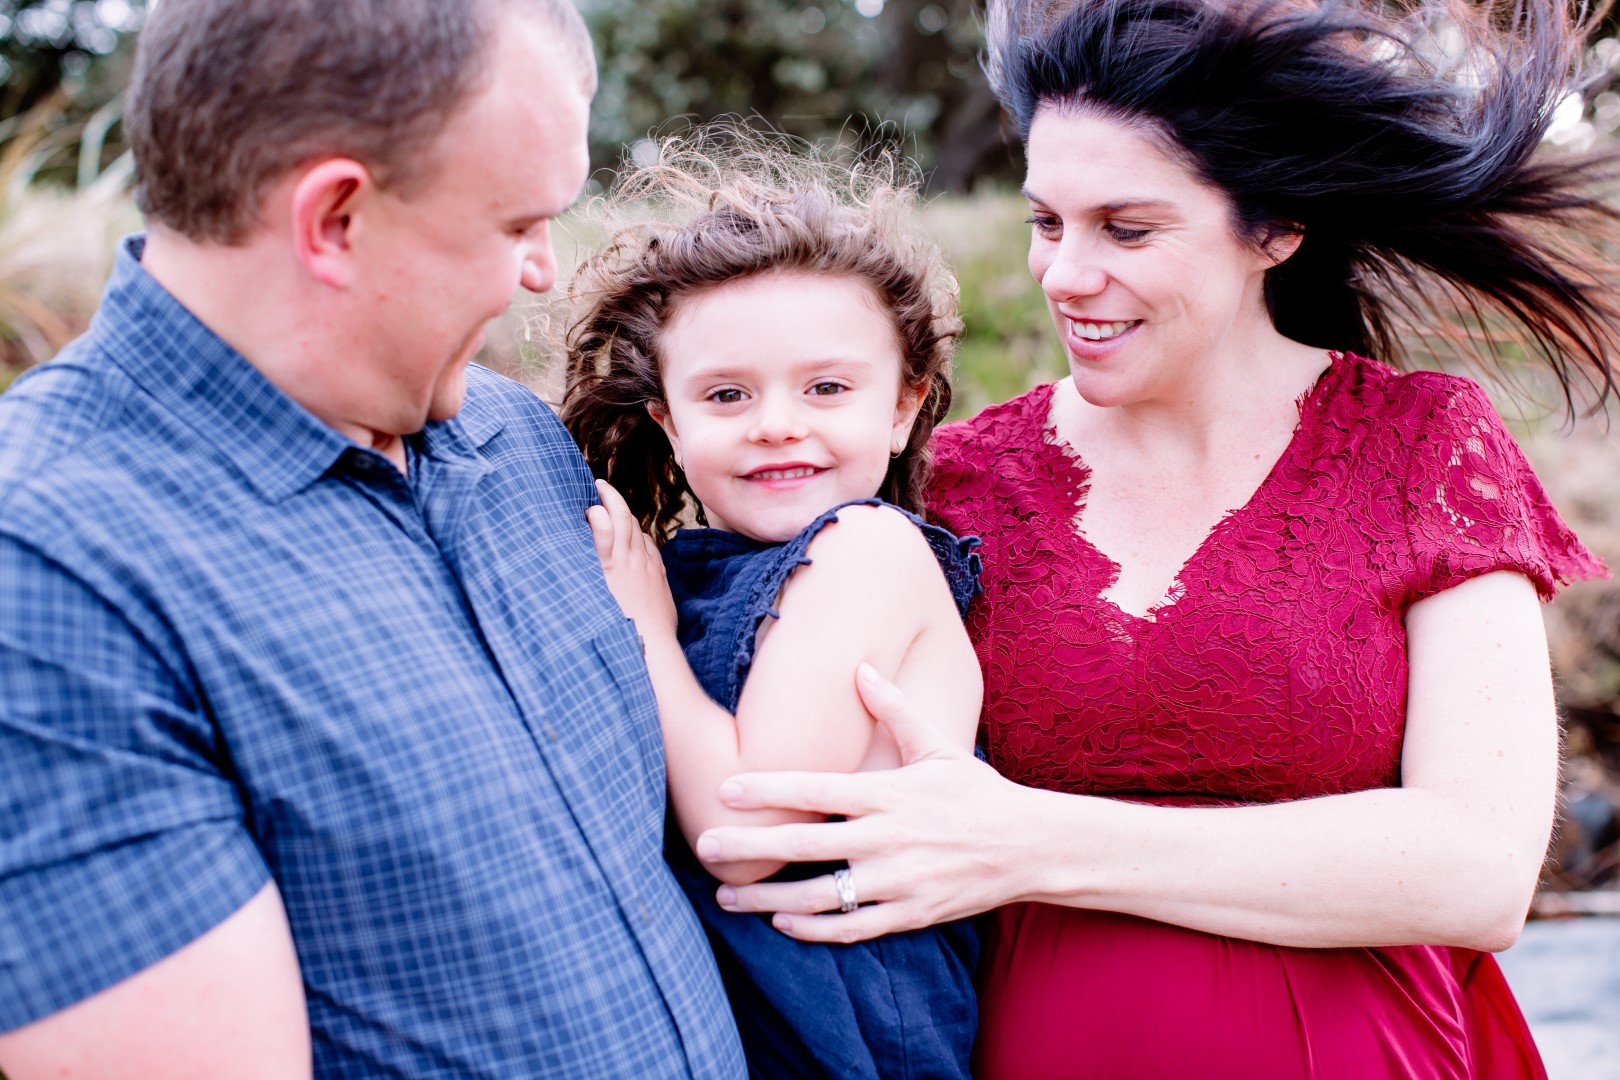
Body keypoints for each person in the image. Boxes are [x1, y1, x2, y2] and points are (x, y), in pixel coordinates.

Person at [687, 0, 1620, 1076]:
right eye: (1047, 222)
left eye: (1126, 230)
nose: (1063, 275)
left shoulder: (1425, 447)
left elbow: (1478, 871)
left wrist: (1031, 841)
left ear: (1274, 230)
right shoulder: (955, 482)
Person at [0, 2, 744, 1077]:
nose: (543, 270)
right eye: (516, 226)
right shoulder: (49, 571)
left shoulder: (514, 437)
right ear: (336, 219)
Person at [560, 131, 983, 1079]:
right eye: (726, 395)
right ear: (669, 421)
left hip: (849, 1033)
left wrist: (646, 633)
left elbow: (745, 837)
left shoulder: (868, 554)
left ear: (904, 406)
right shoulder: (696, 569)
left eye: (827, 387)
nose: (778, 424)